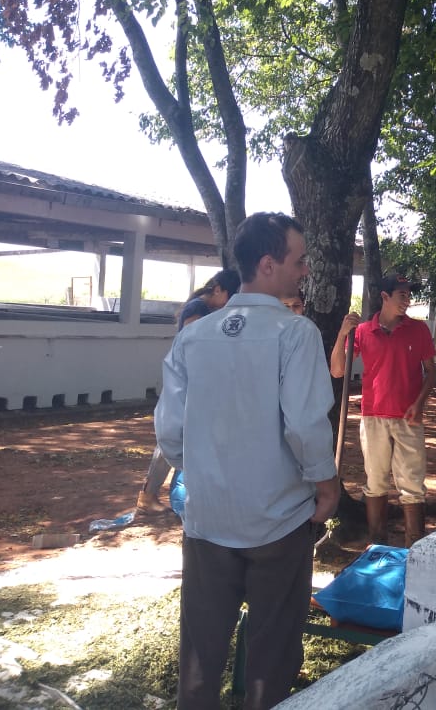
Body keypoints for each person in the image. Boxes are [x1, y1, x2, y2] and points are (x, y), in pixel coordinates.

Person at [154, 212, 340, 710]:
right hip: (278, 520)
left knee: (201, 650)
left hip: (207, 518)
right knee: (271, 653)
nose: (305, 270)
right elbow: (305, 425)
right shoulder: (295, 334)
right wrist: (326, 486)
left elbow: (169, 432)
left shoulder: (193, 337)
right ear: (268, 264)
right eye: (299, 261)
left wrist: (206, 472)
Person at [330, 275, 436, 547]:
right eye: (402, 295)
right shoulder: (364, 331)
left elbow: (431, 372)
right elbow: (338, 370)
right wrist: (342, 333)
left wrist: (419, 403)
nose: (407, 300)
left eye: (409, 295)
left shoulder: (418, 330)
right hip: (373, 416)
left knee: (412, 484)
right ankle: (377, 545)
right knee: (375, 481)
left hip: (408, 418)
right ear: (385, 297)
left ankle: (414, 547)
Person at [136, 268, 241, 513]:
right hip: (189, 380)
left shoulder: (202, 308)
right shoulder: (198, 309)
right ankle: (148, 495)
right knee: (172, 436)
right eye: (230, 296)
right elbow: (195, 344)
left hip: (192, 380)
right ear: (218, 289)